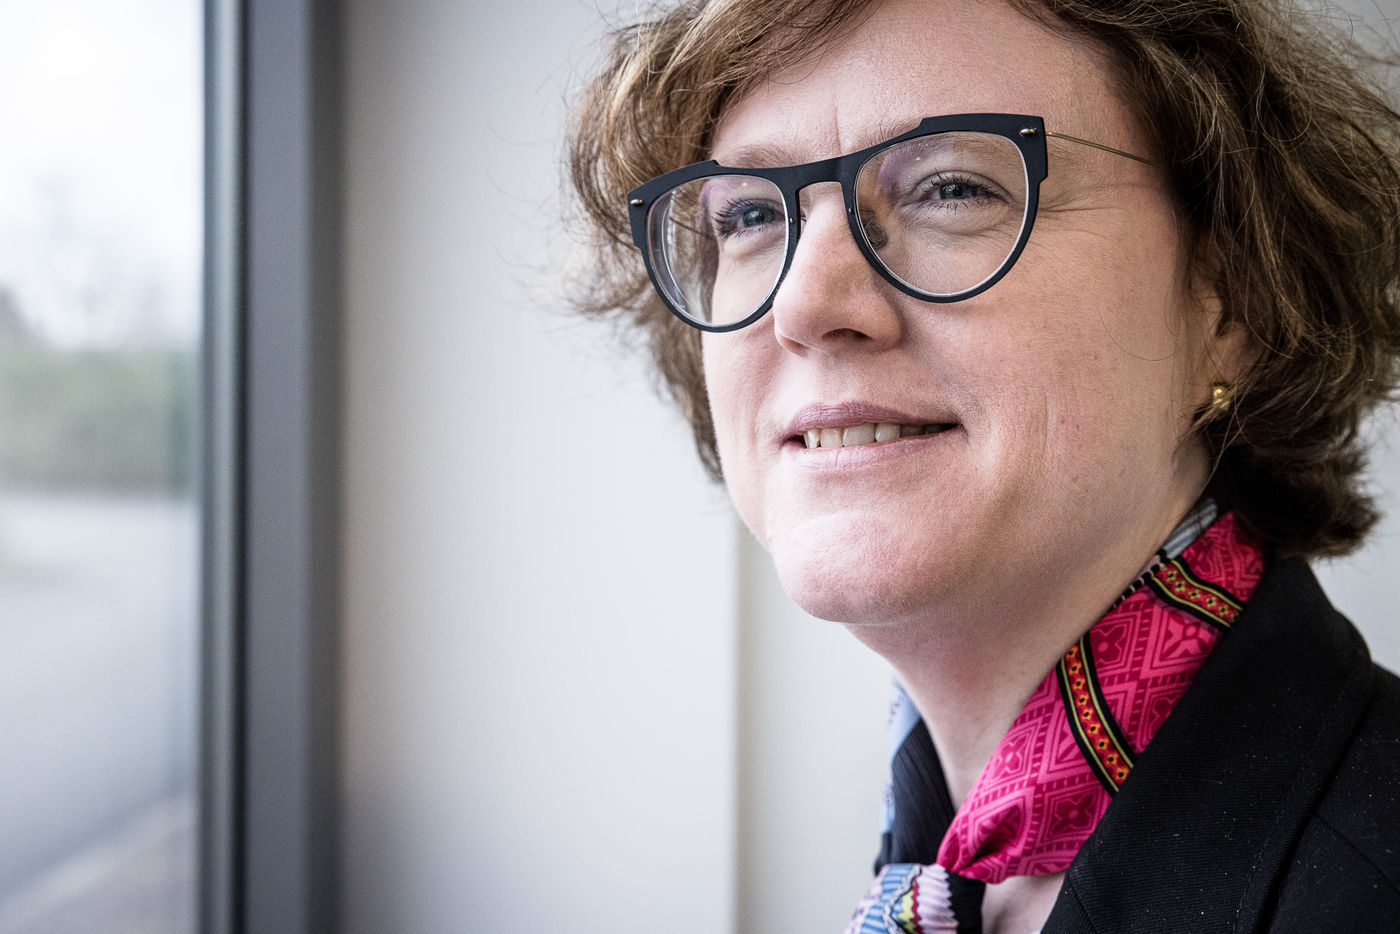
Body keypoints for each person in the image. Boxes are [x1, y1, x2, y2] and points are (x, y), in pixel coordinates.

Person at [566, 0, 1400, 929]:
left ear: (1232, 298)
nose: (805, 305)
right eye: (751, 215)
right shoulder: (934, 875)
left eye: (952, 189)